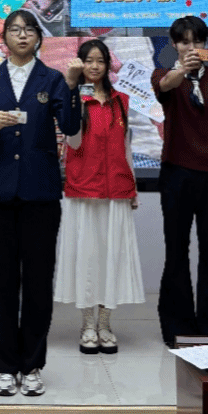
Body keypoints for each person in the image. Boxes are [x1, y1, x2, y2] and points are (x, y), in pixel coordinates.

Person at [0, 9, 81, 396]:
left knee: (37, 283)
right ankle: (4, 366)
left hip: (40, 193)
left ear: (37, 37)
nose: (22, 35)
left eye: (29, 29)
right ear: (5, 38)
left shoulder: (52, 79)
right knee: (1, 284)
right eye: (14, 30)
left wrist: (73, 87)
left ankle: (31, 365)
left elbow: (70, 127)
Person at [151, 16, 208, 348]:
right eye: (185, 42)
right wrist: (182, 70)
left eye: (197, 41)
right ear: (175, 45)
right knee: (176, 250)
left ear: (206, 45)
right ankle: (177, 326)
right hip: (176, 173)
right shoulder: (165, 75)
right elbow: (165, 86)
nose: (192, 47)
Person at [53, 39, 145, 354]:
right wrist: (73, 98)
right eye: (88, 60)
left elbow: (126, 147)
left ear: (107, 66)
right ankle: (87, 325)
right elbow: (73, 143)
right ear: (80, 64)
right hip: (84, 191)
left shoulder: (121, 101)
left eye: (100, 61)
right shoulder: (74, 99)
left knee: (111, 258)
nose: (94, 66)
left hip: (117, 191)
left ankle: (105, 324)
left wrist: (133, 187)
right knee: (87, 259)